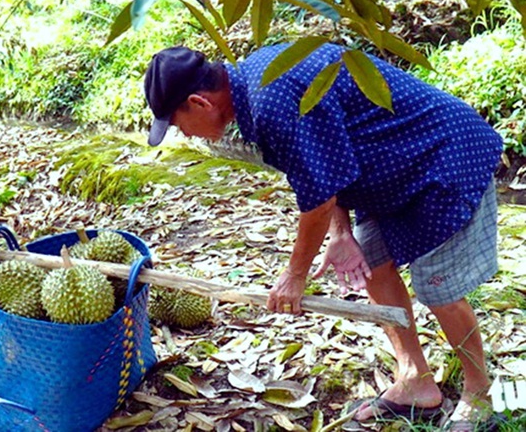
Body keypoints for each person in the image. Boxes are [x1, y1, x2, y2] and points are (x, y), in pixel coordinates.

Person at [143, 44, 503, 431]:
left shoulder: (271, 100)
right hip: (390, 168)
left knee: (439, 287)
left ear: (199, 102)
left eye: (179, 124)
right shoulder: (257, 85)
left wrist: (295, 276)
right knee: (373, 266)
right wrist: (341, 233)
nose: (186, 134)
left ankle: (480, 390)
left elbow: (317, 200)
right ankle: (415, 378)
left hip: (441, 156)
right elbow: (320, 166)